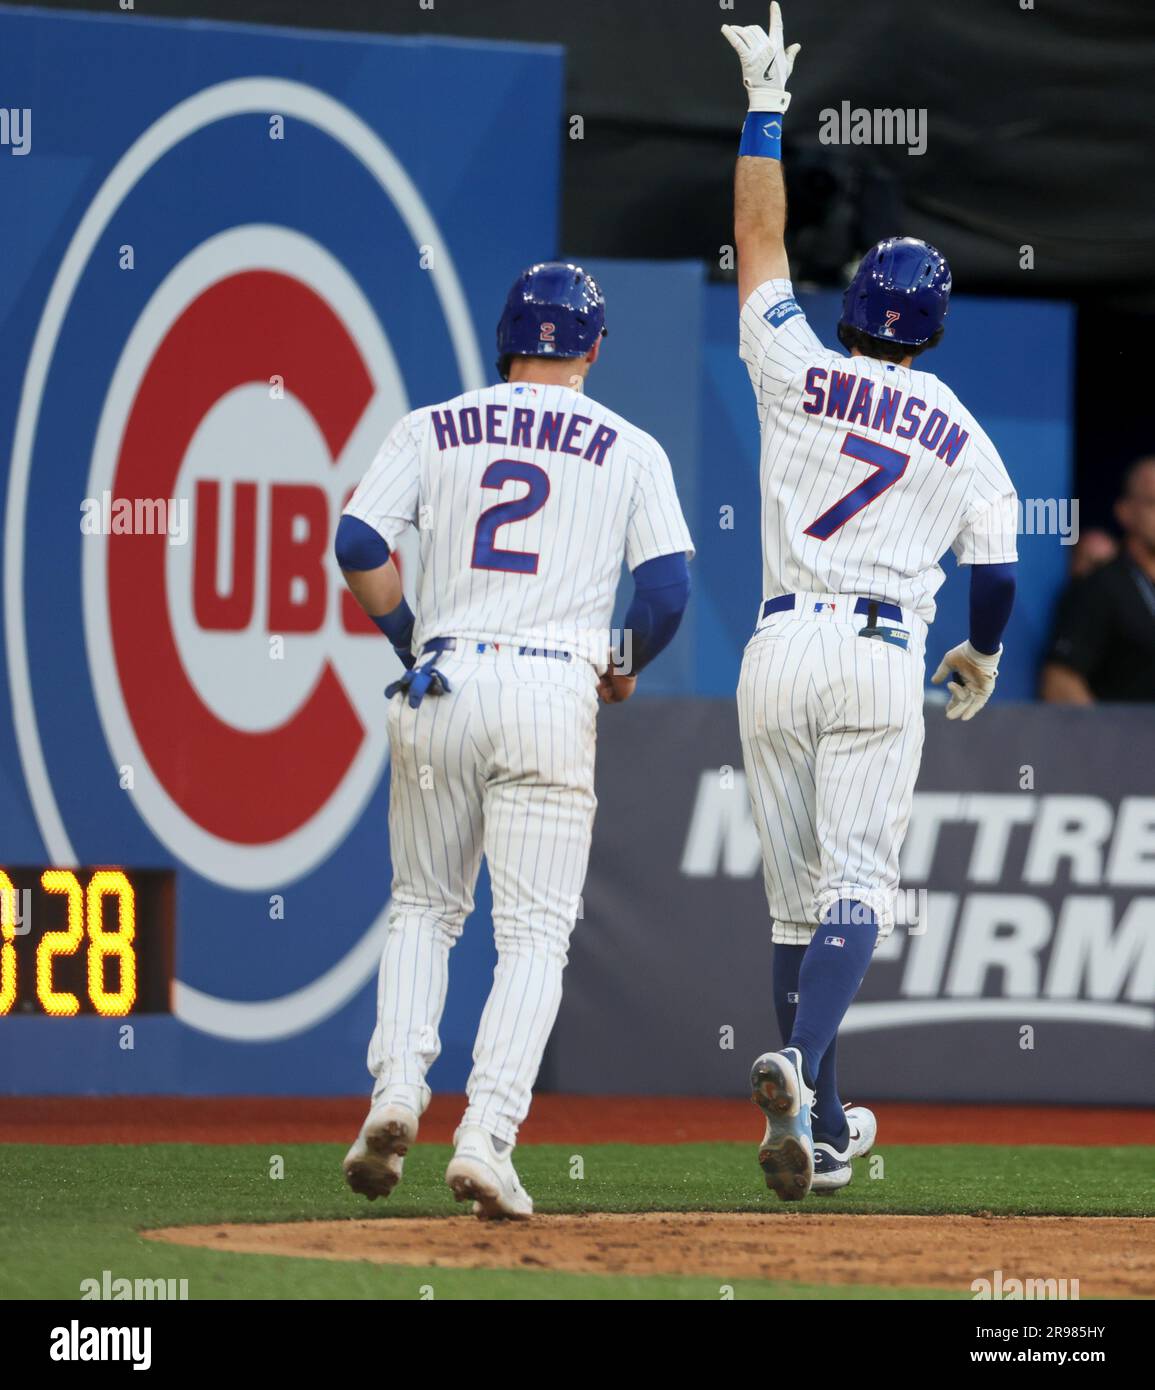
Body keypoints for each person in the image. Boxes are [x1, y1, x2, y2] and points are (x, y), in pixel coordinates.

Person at [721, 4, 1019, 1200]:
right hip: (881, 651)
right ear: (935, 329)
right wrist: (982, 654)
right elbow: (998, 569)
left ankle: (824, 1121)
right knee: (857, 892)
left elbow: (755, 248)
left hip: (776, 646)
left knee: (797, 908)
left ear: (855, 309)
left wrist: (763, 112)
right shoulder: (957, 425)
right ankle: (798, 1064)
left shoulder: (798, 365)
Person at [334, 263, 694, 1218]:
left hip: (442, 678)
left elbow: (358, 542)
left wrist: (413, 635)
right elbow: (666, 592)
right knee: (531, 933)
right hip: (549, 685)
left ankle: (395, 1093)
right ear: (593, 348)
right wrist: (622, 660)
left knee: (422, 906)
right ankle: (486, 1139)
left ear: (504, 340)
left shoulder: (432, 423)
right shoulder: (628, 446)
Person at [1041, 457, 1155, 702]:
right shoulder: (1100, 588)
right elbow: (1060, 681)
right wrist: (1109, 739)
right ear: (1125, 511)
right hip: (1130, 737)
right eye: (1153, 502)